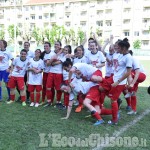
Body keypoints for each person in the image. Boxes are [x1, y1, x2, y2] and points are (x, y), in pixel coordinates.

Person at [99, 38, 133, 125]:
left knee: (113, 100)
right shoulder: (120, 54)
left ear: (124, 48)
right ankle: (110, 106)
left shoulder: (128, 57)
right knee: (101, 88)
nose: (117, 49)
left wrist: (118, 82)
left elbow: (128, 72)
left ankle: (115, 120)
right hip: (113, 78)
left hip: (119, 82)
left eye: (119, 48)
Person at [125, 50, 146, 115]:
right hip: (136, 78)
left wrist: (131, 84)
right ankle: (134, 110)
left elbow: (137, 72)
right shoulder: (127, 61)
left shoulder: (134, 60)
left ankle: (129, 91)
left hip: (141, 75)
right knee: (133, 94)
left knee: (129, 73)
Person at [45, 41, 64, 108]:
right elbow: (48, 63)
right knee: (48, 87)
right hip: (51, 72)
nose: (56, 45)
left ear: (60, 46)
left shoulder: (63, 54)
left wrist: (53, 62)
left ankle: (58, 102)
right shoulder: (51, 53)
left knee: (58, 89)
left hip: (59, 73)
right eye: (55, 44)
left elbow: (61, 61)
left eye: (58, 44)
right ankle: (49, 101)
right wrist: (52, 60)